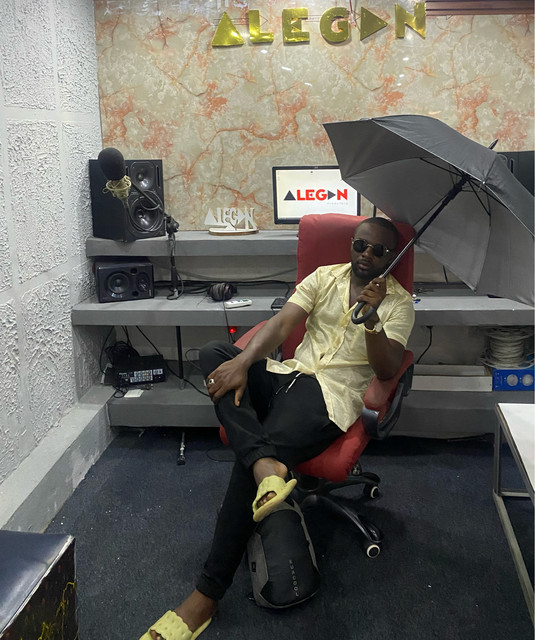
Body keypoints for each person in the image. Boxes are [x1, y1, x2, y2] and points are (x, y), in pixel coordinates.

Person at [140, 216, 415, 640]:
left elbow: (386, 367)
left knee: (250, 458)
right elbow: (283, 324)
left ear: (391, 257)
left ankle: (206, 595)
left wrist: (373, 318)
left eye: (379, 251)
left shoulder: (399, 303)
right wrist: (243, 362)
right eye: (360, 245)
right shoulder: (324, 277)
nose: (366, 255)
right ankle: (266, 466)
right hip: (288, 375)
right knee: (215, 355)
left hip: (329, 397)